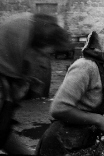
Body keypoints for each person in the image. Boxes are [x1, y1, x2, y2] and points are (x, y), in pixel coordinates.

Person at [0, 13, 70, 155]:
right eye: (42, 55)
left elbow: (2, 134)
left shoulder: (8, 84)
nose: (45, 66)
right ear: (19, 48)